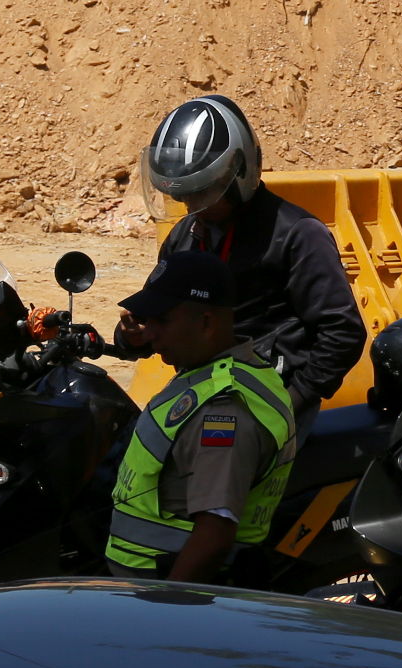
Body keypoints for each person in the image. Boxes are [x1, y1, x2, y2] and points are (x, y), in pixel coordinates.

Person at [127, 94, 364, 418]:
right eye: (183, 196)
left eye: (203, 193)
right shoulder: (185, 236)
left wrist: (293, 400)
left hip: (269, 403)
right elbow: (159, 317)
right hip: (202, 394)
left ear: (237, 177)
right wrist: (134, 336)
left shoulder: (296, 234)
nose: (192, 206)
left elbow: (342, 330)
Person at [103, 249, 299, 584]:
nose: (150, 334)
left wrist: (170, 611)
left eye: (161, 321)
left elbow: (214, 535)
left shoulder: (223, 413)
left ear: (206, 323)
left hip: (159, 598)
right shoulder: (212, 370)